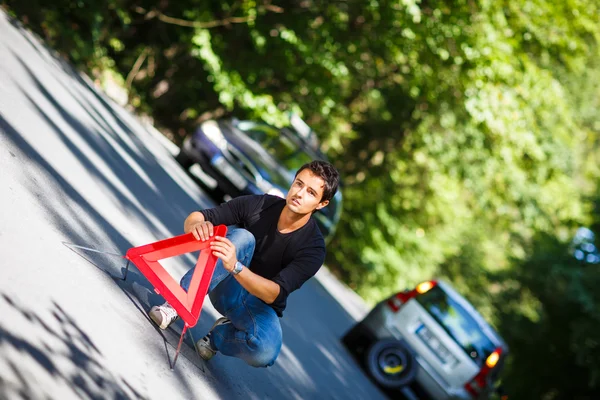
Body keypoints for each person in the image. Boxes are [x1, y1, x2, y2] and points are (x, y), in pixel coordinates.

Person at [148, 160, 340, 368]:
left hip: (256, 305)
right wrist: (197, 226)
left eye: (311, 192)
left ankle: (219, 336)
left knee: (265, 351)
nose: (300, 193)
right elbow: (200, 217)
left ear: (322, 204)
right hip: (225, 285)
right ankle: (179, 302)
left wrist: (236, 267)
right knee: (242, 237)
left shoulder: (314, 248)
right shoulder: (261, 204)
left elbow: (274, 293)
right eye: (299, 184)